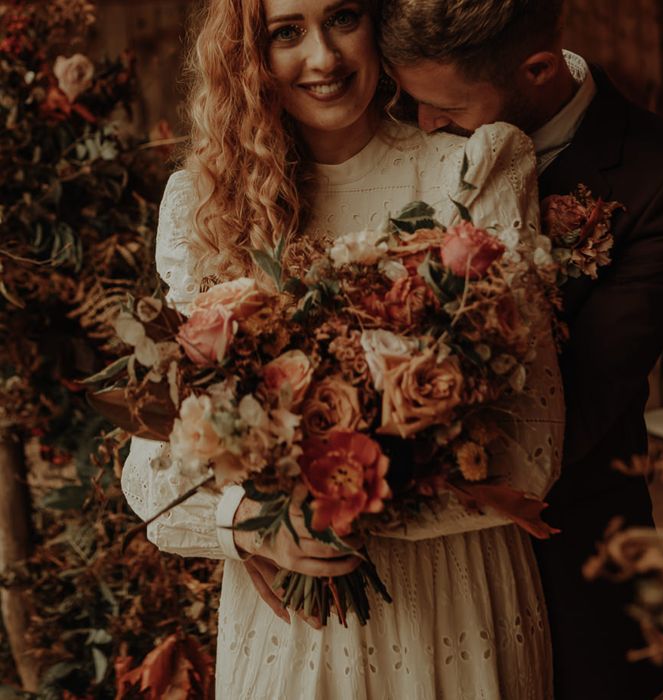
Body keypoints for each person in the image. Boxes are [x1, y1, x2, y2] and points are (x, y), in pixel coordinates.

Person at [121, 0, 565, 697]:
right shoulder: (203, 204)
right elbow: (152, 474)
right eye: (287, 32)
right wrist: (249, 525)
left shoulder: (473, 171)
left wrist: (315, 513)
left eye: (344, 18)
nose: (323, 58)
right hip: (293, 633)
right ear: (249, 54)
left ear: (378, 24)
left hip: (454, 599)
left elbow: (530, 453)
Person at [378, 1, 663, 698]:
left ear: (536, 70)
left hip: (569, 540)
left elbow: (592, 391)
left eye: (443, 106)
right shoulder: (397, 129)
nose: (423, 126)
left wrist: (404, 463)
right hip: (413, 580)